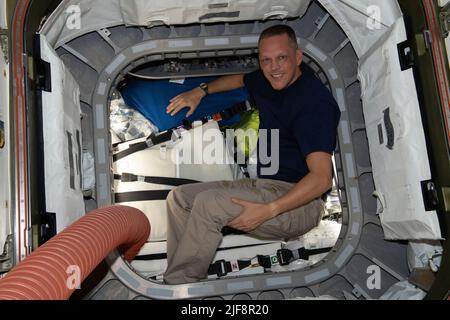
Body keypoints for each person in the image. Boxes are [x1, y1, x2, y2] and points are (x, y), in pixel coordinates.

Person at [163, 25, 341, 285]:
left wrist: (268, 210)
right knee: (179, 198)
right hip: (264, 185)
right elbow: (241, 79)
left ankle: (179, 288)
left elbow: (322, 179)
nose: (274, 67)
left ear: (298, 57)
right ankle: (180, 275)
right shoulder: (267, 79)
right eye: (266, 60)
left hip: (299, 204)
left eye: (282, 58)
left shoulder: (314, 104)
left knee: (209, 203)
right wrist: (200, 91)